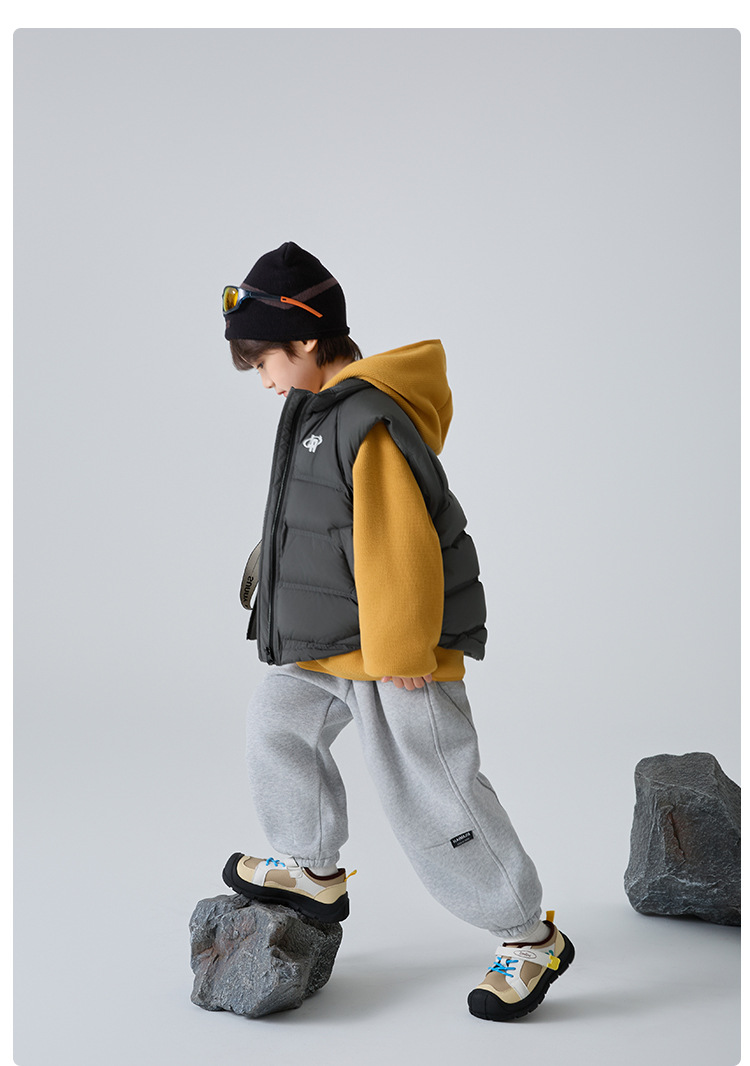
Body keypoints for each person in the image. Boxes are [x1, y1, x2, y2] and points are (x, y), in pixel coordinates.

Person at [220, 241, 574, 1021]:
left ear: (306, 339)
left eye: (264, 361)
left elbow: (397, 542)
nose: (264, 380)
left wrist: (406, 648)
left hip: (393, 650)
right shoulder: (315, 413)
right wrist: (269, 567)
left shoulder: (365, 419)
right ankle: (312, 867)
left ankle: (528, 936)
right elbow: (318, 519)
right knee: (276, 725)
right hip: (328, 640)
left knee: (433, 795)